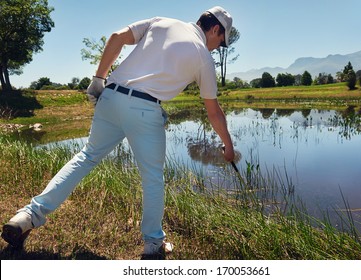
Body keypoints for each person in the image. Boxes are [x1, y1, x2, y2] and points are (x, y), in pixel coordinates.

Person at [1, 6, 235, 258]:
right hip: (145, 110)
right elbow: (213, 111)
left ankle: (28, 215)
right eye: (220, 43)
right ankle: (154, 245)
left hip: (111, 97)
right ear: (214, 30)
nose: (216, 48)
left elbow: (116, 37)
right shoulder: (203, 56)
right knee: (152, 178)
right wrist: (229, 147)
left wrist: (98, 79)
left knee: (87, 157)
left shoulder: (161, 21)